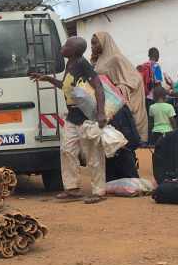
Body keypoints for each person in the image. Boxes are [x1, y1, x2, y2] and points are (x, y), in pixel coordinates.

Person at [29, 36, 107, 203]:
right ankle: (72, 189)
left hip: (86, 117)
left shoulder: (83, 64)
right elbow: (66, 86)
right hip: (72, 116)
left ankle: (99, 192)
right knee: (67, 151)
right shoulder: (70, 64)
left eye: (66, 45)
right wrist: (48, 78)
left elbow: (99, 87)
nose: (62, 47)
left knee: (93, 155)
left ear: (75, 51)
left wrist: (101, 113)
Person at [90, 32, 149, 141]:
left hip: (117, 104)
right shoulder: (99, 60)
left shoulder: (116, 59)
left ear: (104, 43)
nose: (92, 47)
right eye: (91, 44)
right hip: (106, 105)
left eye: (94, 43)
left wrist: (118, 90)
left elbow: (136, 79)